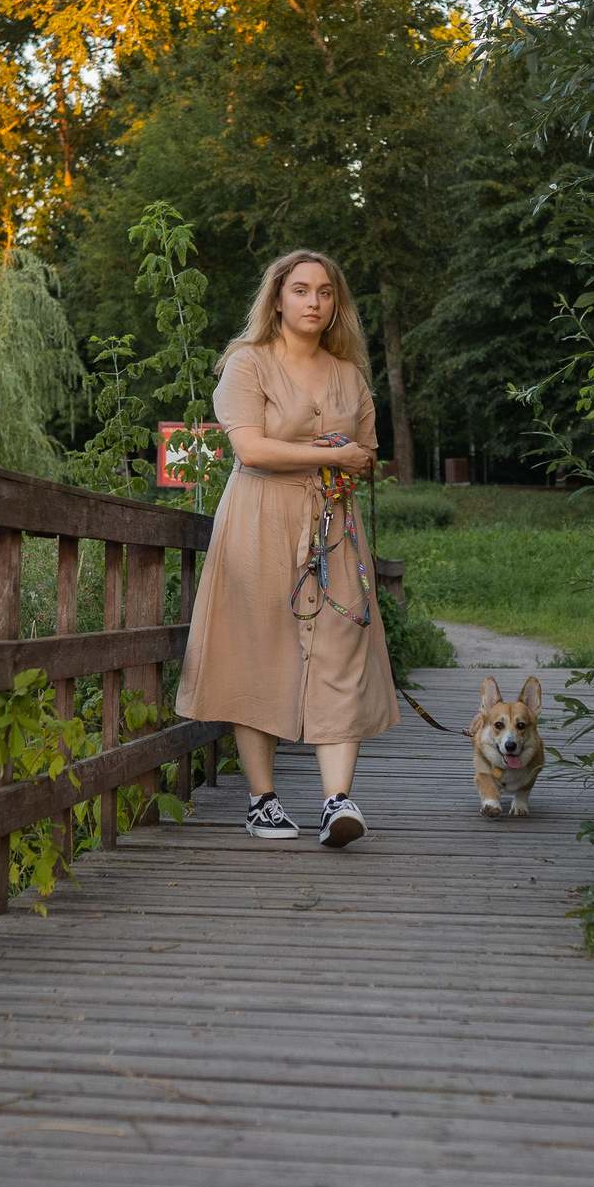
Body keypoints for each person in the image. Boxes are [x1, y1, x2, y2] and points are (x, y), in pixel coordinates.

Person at [175, 249, 397, 846]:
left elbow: (368, 454)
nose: (314, 302)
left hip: (334, 524)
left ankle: (337, 802)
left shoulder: (350, 375)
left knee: (342, 647)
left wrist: (351, 466)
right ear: (277, 298)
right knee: (261, 649)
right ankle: (263, 800)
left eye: (325, 292)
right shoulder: (248, 364)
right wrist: (333, 454)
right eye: (301, 290)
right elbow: (251, 449)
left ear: (335, 305)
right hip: (259, 519)